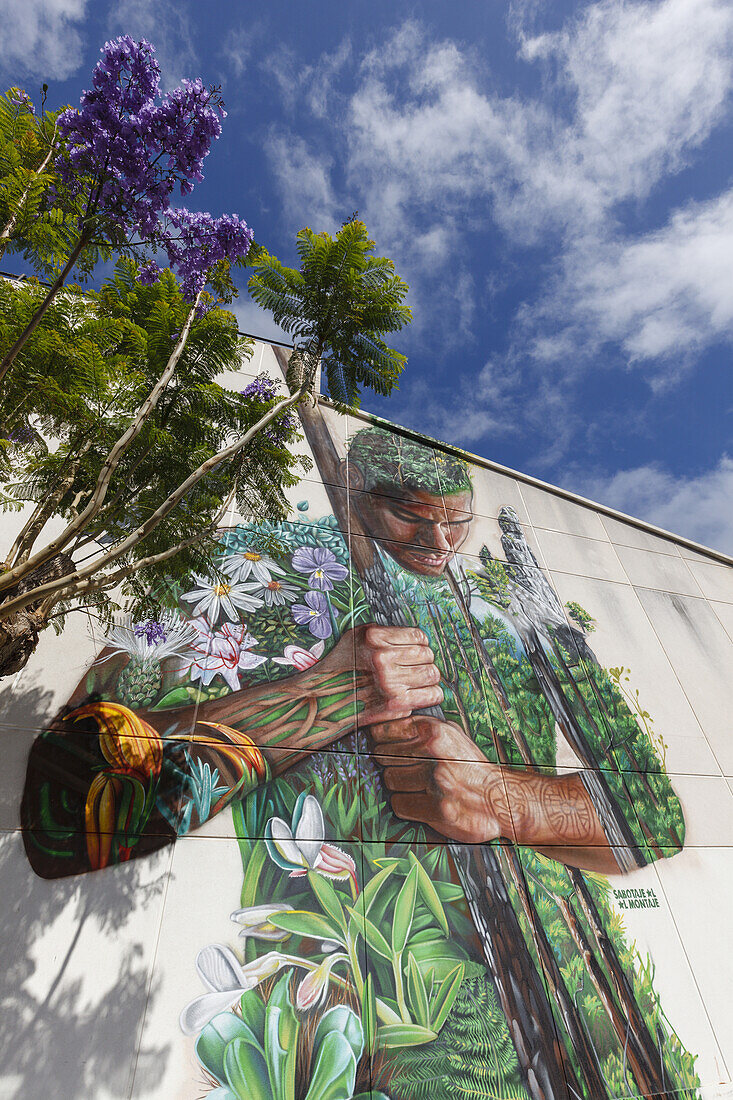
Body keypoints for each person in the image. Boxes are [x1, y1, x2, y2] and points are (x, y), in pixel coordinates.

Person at [21, 425, 690, 1100]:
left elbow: (652, 820)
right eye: (410, 515)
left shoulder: (500, 614)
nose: (439, 544)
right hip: (356, 1046)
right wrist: (317, 696)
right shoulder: (257, 569)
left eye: (457, 523)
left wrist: (504, 799)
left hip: (598, 1045)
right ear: (350, 488)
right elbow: (64, 809)